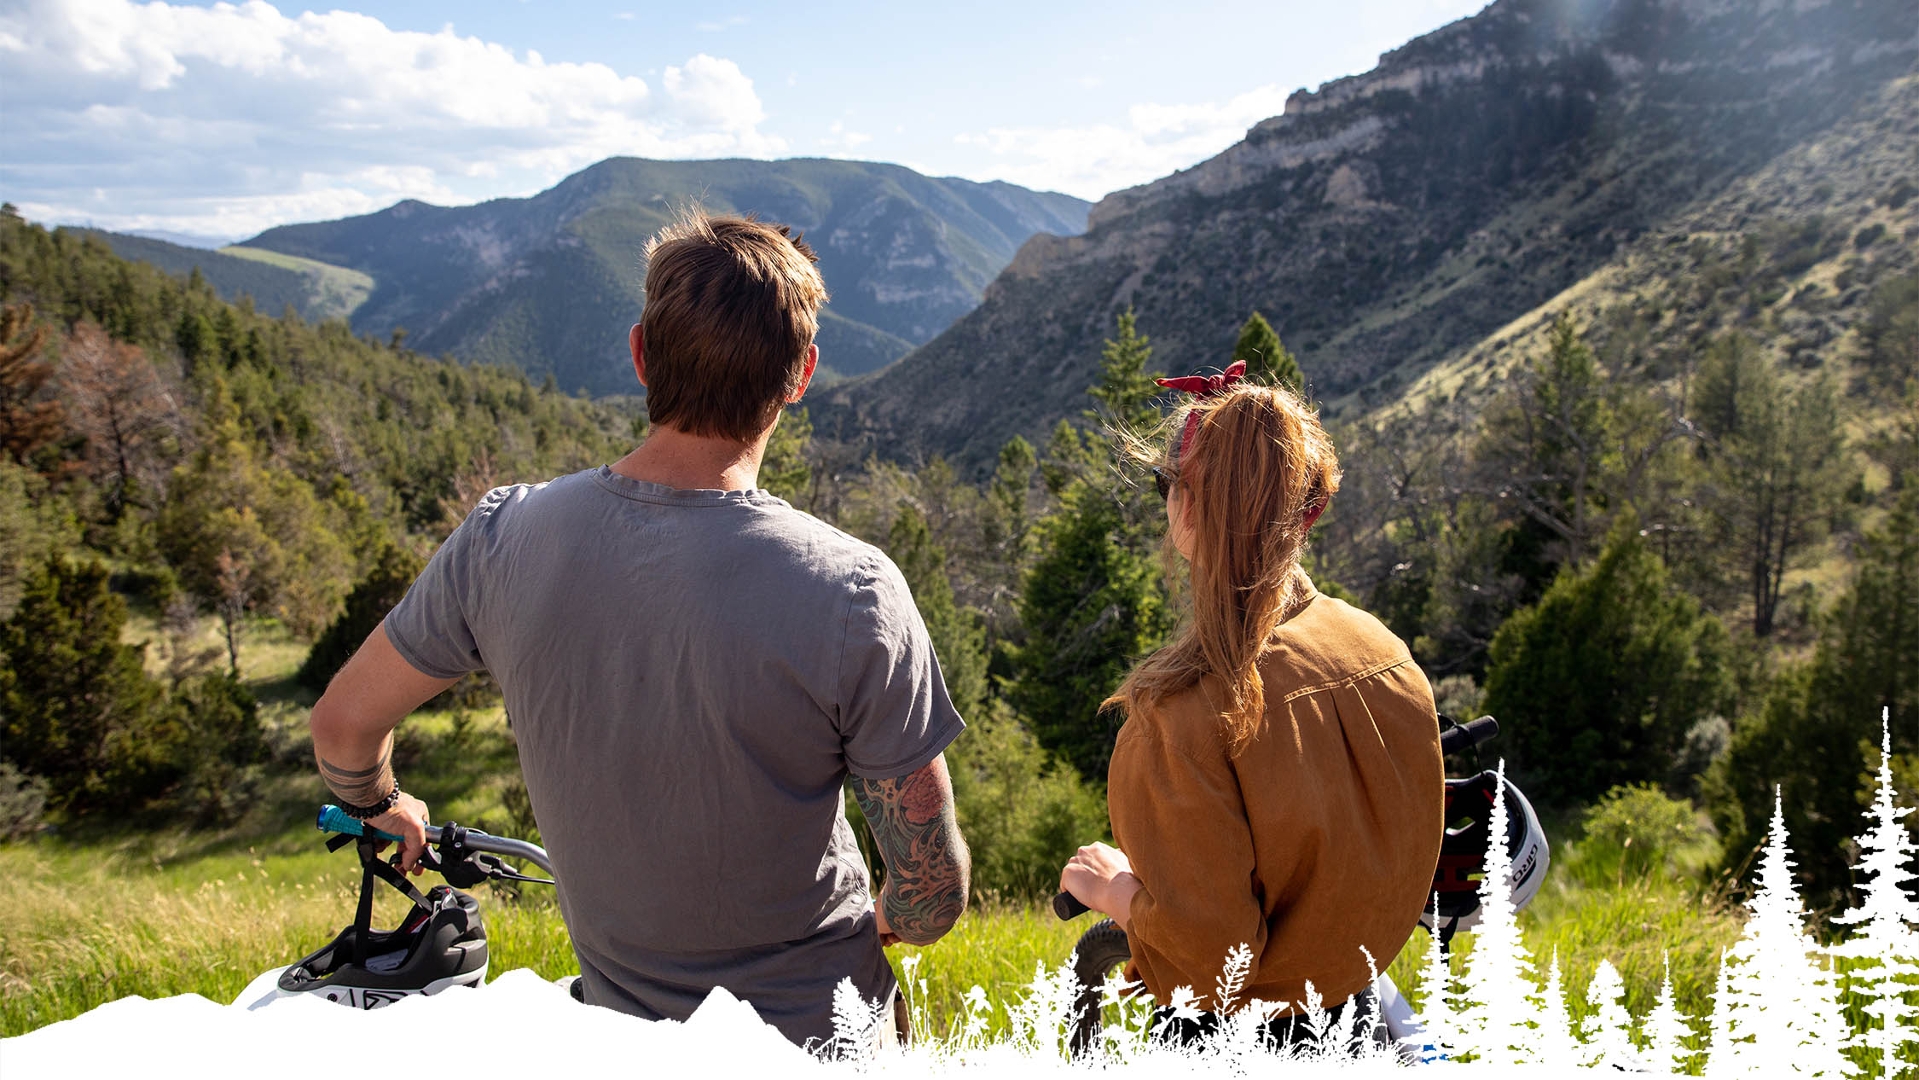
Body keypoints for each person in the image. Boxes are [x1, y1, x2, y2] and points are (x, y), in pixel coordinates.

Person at [307, 211, 969, 1049]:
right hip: (819, 1040)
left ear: (640, 356)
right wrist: (894, 919)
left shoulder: (499, 537)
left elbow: (343, 725)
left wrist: (384, 803)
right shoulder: (853, 590)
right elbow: (932, 894)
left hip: (624, 1044)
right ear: (800, 375)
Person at [1057, 362, 1442, 1043]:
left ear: (1185, 510)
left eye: (1164, 484)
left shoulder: (1177, 722)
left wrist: (1115, 890)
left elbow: (1211, 971)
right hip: (1358, 1015)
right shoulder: (1384, 653)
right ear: (1311, 508)